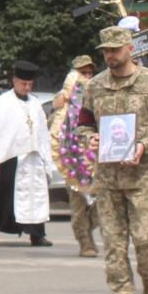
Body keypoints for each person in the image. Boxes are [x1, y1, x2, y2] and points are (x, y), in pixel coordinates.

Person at [79, 24, 148, 294]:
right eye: (105, 51)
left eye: (115, 50)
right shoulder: (94, 86)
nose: (109, 55)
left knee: (146, 240)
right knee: (113, 245)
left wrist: (144, 145)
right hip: (109, 179)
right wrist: (90, 139)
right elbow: (83, 124)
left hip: (144, 177)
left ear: (130, 49)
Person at [0, 61, 53, 248]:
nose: (26, 88)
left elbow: (42, 131)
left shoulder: (35, 104)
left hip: (33, 158)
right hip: (11, 158)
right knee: (6, 195)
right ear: (14, 81)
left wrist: (45, 157)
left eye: (29, 84)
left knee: (36, 196)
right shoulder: (4, 102)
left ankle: (37, 235)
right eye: (23, 84)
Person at [56, 55, 100, 256]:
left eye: (91, 72)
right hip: (72, 160)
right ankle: (85, 243)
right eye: (84, 73)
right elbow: (55, 129)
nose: (88, 77)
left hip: (97, 159)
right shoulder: (64, 100)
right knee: (78, 204)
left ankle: (88, 229)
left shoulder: (98, 96)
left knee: (103, 202)